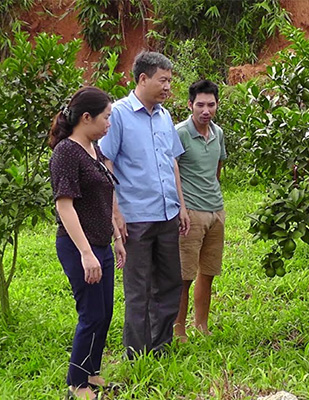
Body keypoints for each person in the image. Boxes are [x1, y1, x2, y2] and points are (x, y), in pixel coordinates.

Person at [99, 51, 190, 359]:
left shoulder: (165, 116)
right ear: (143, 79)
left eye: (170, 81)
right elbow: (106, 162)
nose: (168, 87)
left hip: (167, 213)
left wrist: (182, 205)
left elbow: (172, 162)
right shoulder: (120, 114)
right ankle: (136, 354)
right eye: (163, 80)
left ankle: (160, 346)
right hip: (135, 217)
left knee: (170, 283)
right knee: (138, 289)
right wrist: (115, 213)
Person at [49, 86, 126, 400]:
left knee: (105, 312)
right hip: (78, 246)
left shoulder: (95, 150)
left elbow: (101, 199)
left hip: (102, 244)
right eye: (106, 117)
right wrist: (86, 253)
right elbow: (64, 205)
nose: (109, 124)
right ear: (86, 117)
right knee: (91, 315)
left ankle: (92, 373)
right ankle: (76, 384)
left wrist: (117, 238)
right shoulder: (66, 152)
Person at [173, 80, 227, 342]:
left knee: (209, 271)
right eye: (200, 105)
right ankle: (178, 327)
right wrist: (181, 207)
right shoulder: (180, 133)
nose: (206, 110)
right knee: (184, 276)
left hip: (216, 211)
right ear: (189, 105)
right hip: (191, 212)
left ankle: (201, 325)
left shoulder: (218, 133)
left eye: (211, 105)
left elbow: (217, 169)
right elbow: (172, 173)